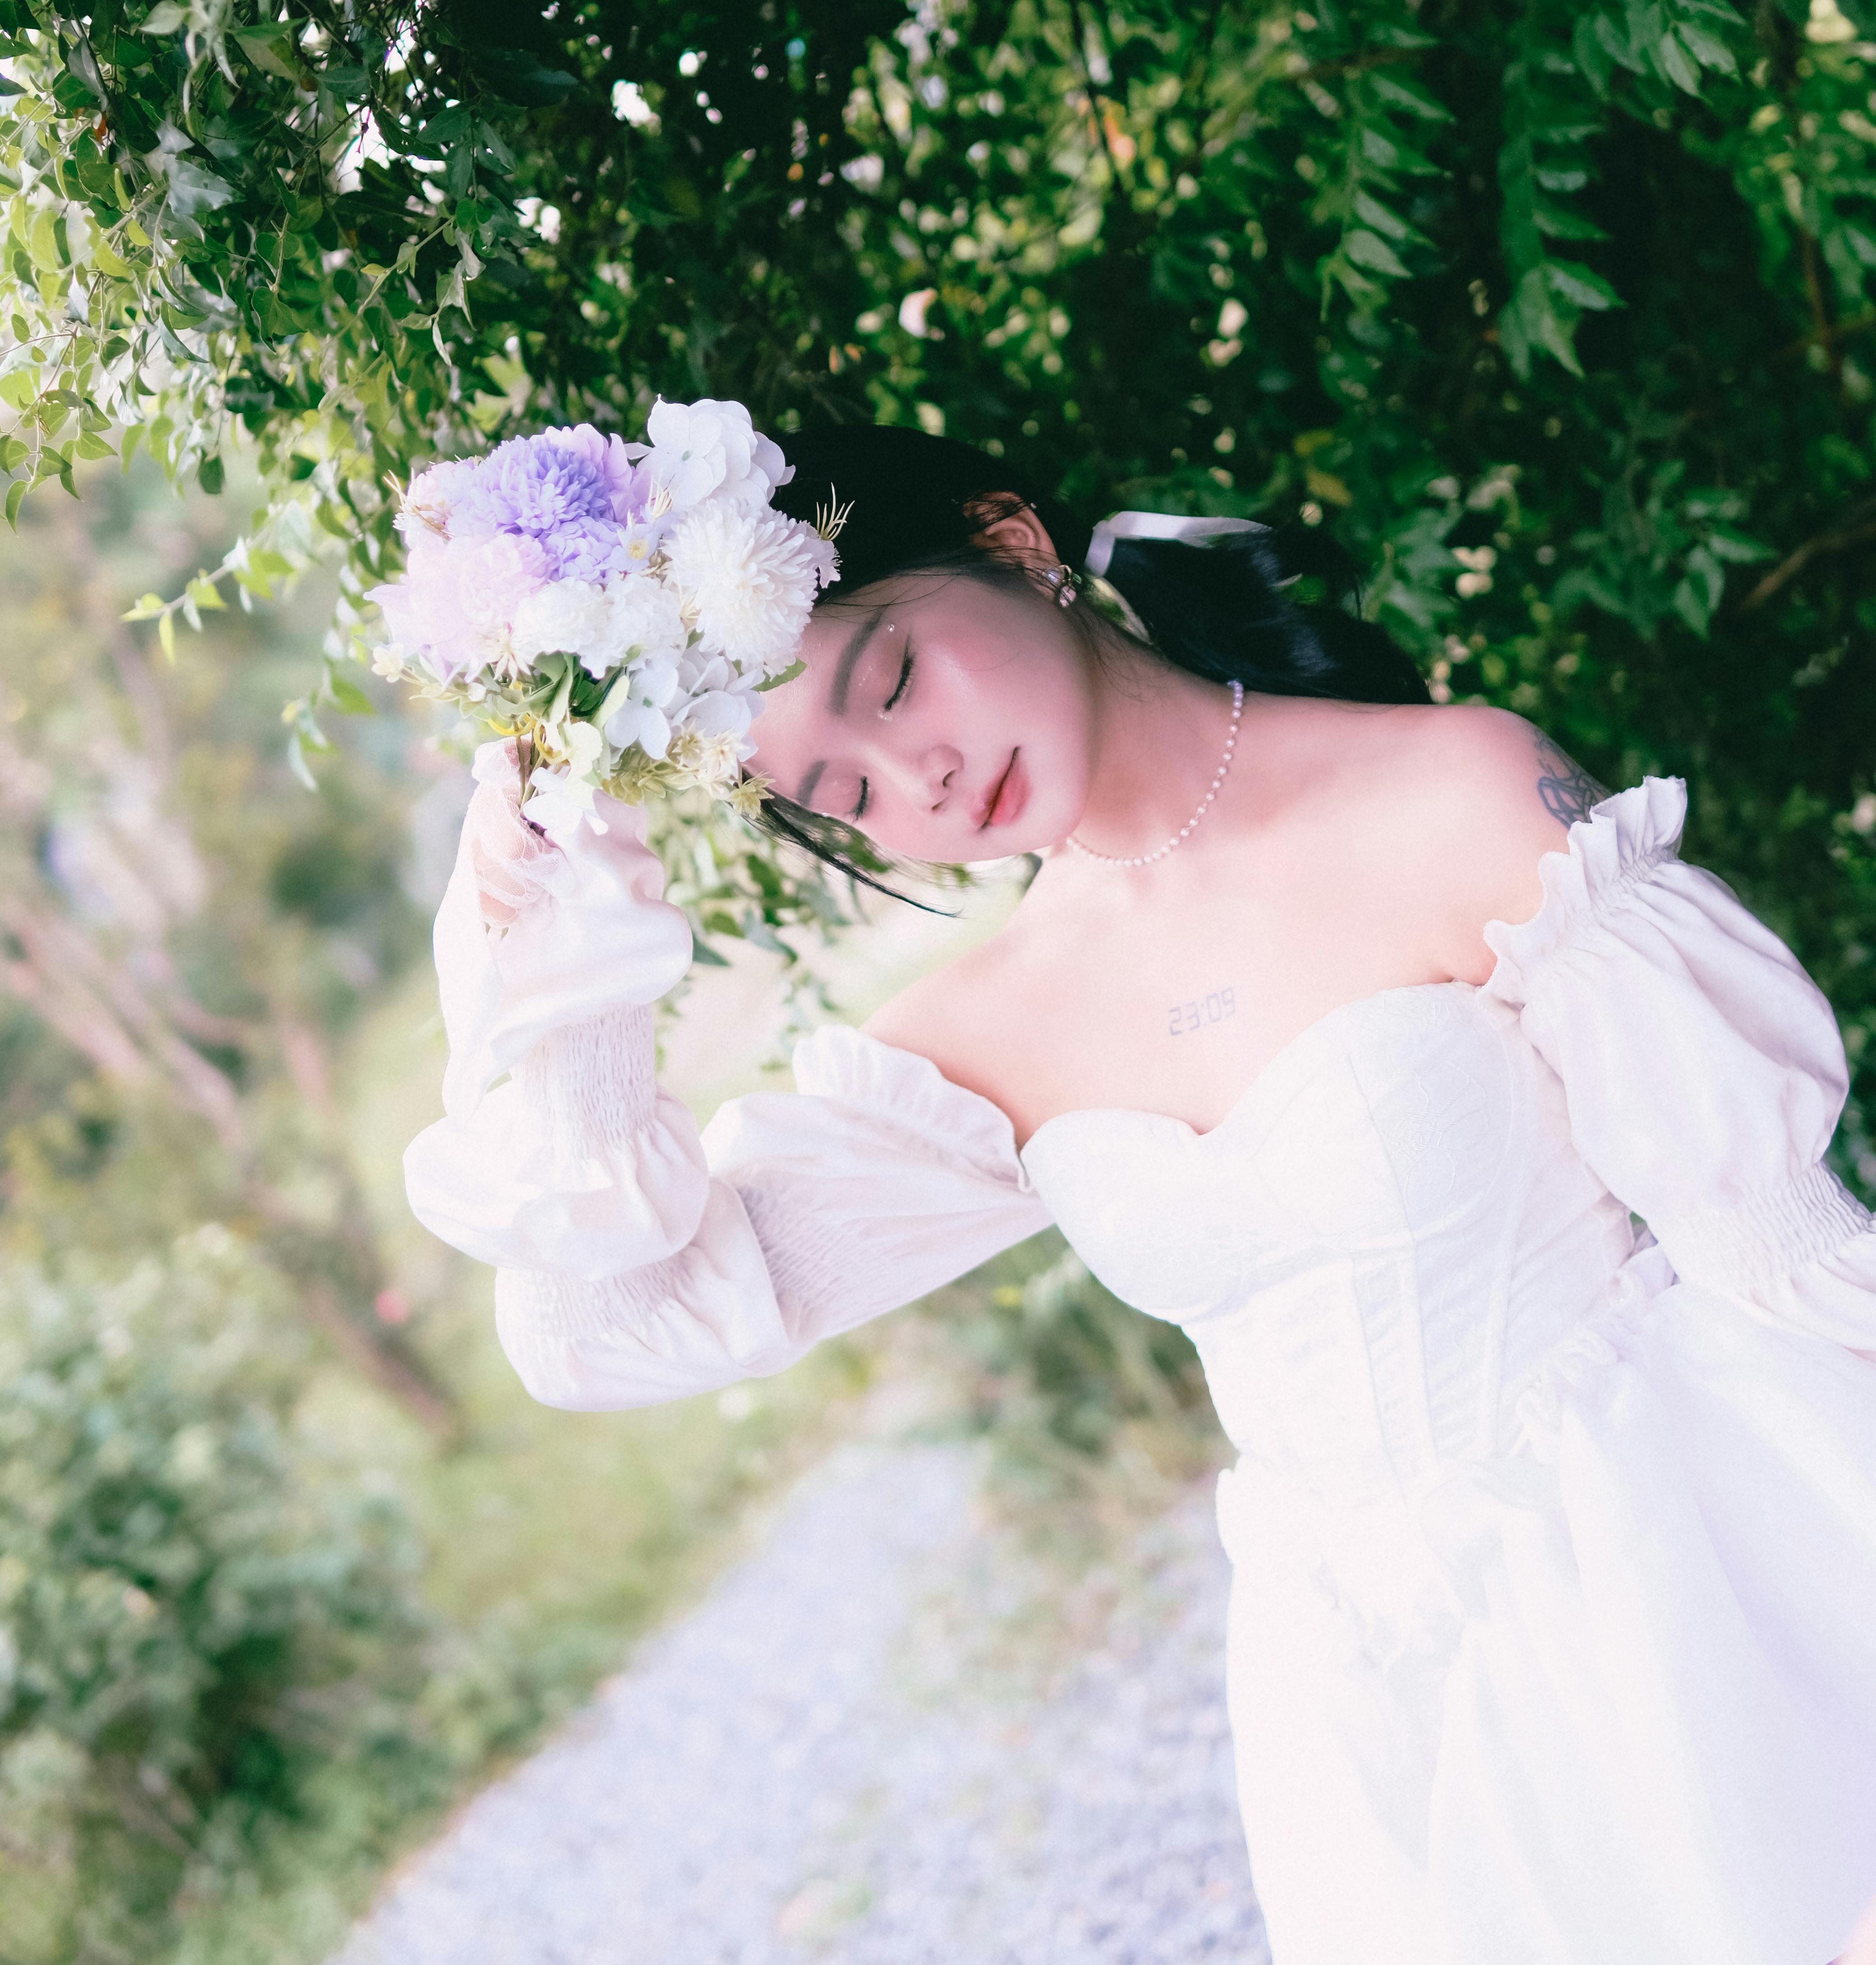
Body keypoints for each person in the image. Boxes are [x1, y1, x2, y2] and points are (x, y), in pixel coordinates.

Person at [406, 422, 1876, 1965]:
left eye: (895, 679)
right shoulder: (983, 1040)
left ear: (1013, 541)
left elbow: (1776, 1247)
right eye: (841, 792)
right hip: (1362, 1696)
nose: (919, 779)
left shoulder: (1446, 791)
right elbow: (603, 1334)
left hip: (1661, 1576)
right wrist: (563, 980)